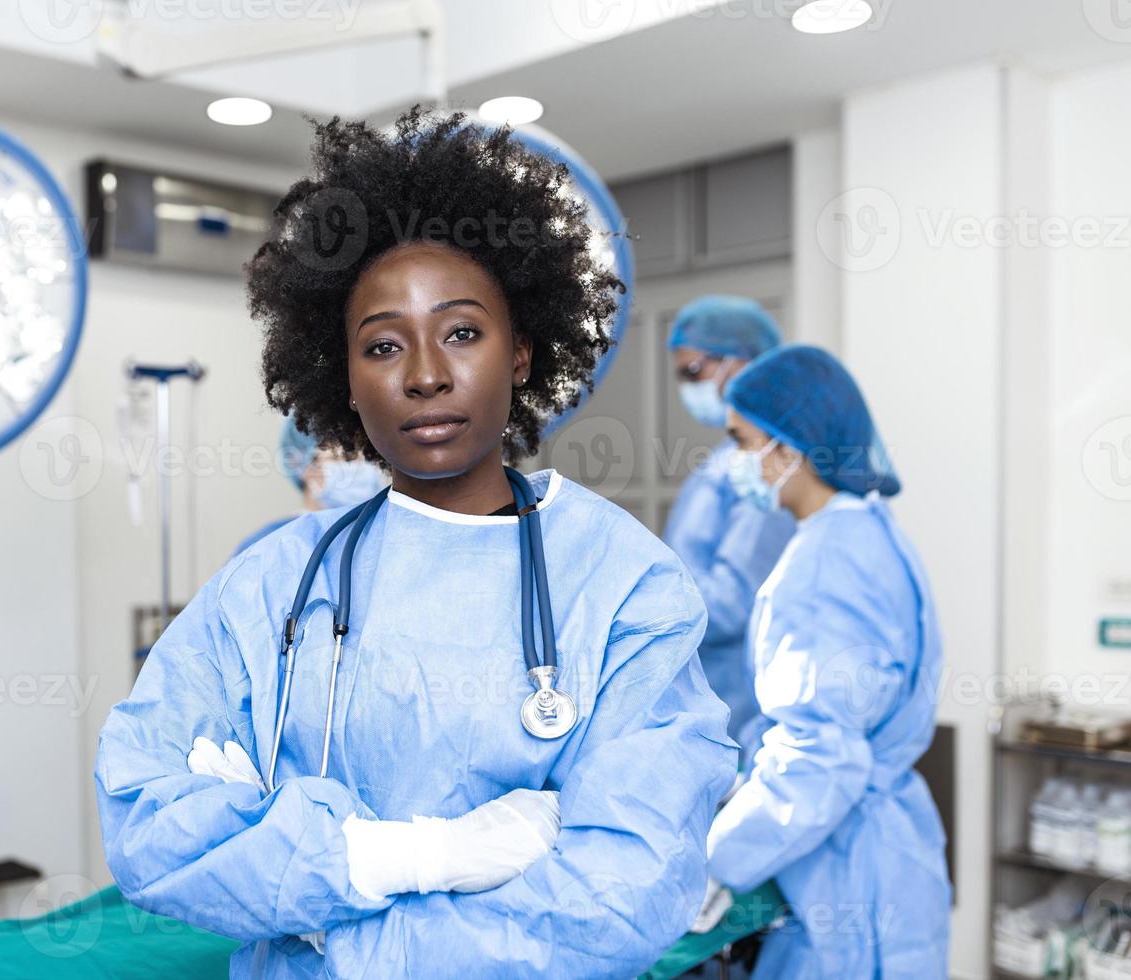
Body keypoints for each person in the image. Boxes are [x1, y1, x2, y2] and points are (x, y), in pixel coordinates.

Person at [96, 106, 736, 978]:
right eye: (384, 344)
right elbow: (143, 820)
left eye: (463, 332)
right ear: (344, 381)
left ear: (522, 353)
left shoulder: (622, 588)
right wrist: (409, 860)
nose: (427, 373)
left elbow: (624, 890)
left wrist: (313, 904)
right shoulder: (278, 585)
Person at [702, 345, 950, 977]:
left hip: (845, 878)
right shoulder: (872, 531)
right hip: (891, 858)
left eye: (742, 442)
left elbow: (821, 760)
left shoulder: (823, 564)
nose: (737, 465)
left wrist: (714, 861)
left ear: (788, 448)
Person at [664, 295, 795, 749]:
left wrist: (640, 608)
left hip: (736, 704)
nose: (687, 386)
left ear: (741, 365)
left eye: (694, 371)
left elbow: (733, 602)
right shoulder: (729, 461)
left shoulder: (766, 467)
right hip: (707, 694)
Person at [233, 416, 388, 556]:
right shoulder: (267, 548)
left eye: (367, 457)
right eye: (345, 457)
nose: (361, 467)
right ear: (305, 466)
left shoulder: (384, 540)